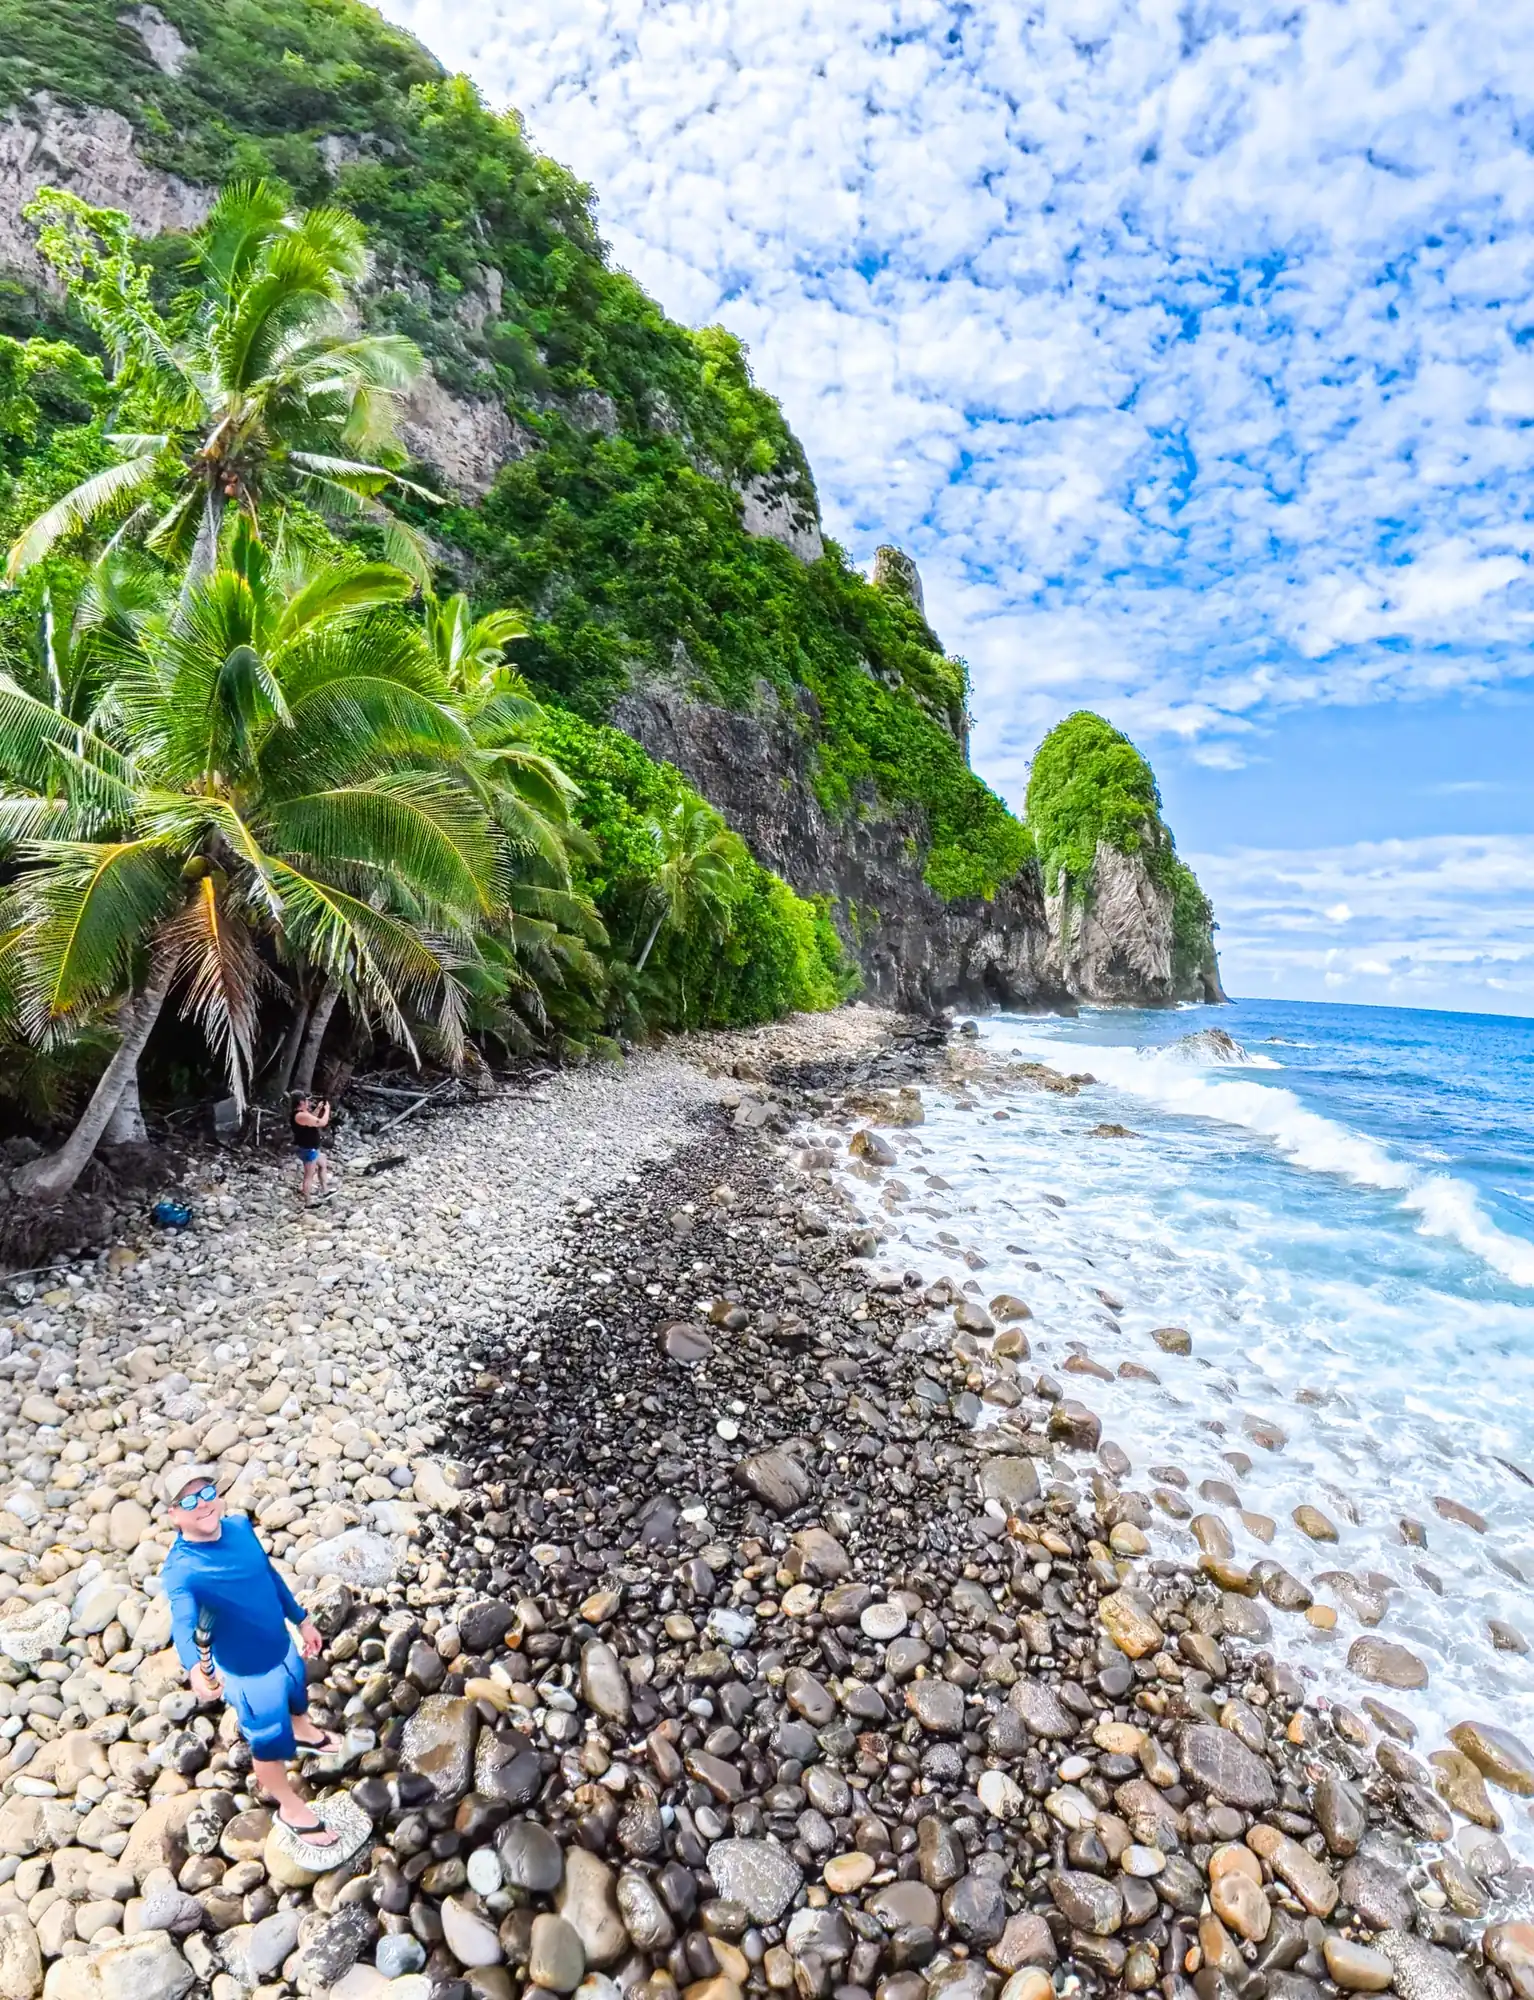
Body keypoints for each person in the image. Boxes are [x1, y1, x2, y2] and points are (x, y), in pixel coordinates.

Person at [158, 1464, 341, 1844]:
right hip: (248, 1675)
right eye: (188, 1500)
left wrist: (301, 1619)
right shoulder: (182, 1570)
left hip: (282, 1644)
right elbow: (183, 1620)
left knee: (297, 1691)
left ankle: (303, 1729)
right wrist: (194, 1667)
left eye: (207, 1493)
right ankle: (291, 1808)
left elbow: (270, 1576)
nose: (203, 1505)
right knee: (267, 1744)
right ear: (173, 1514)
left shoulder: (240, 1527)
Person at [291, 1093, 331, 1205]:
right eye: (307, 1101)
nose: (308, 1103)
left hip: (312, 1148)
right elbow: (322, 1122)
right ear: (301, 1102)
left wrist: (318, 1109)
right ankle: (308, 1202)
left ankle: (325, 1190)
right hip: (308, 1149)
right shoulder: (300, 1116)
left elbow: (312, 1120)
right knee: (309, 1176)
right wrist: (327, 1110)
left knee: (323, 1164)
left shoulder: (303, 1115)